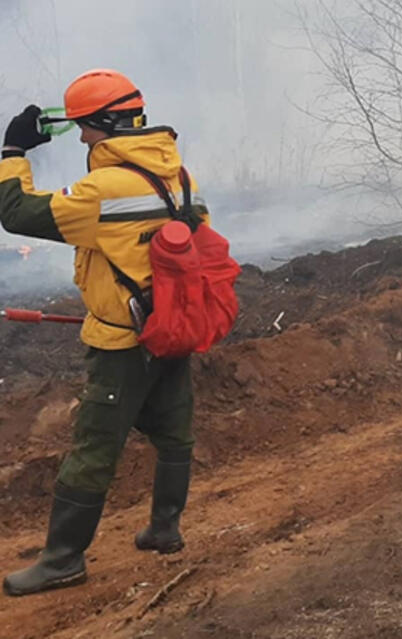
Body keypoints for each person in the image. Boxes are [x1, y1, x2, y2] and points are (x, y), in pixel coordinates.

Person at [0, 69, 205, 596]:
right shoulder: (177, 174)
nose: (83, 138)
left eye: (85, 129)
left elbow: (16, 213)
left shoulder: (104, 189)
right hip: (172, 325)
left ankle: (62, 560)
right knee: (174, 429)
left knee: (93, 446)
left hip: (122, 341)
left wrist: (12, 151)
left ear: (107, 124)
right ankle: (165, 529)